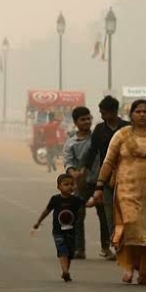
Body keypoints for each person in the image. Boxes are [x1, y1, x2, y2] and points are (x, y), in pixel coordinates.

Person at [92, 99, 146, 285]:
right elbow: (108, 162)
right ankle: (128, 267)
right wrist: (99, 187)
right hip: (126, 192)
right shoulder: (121, 136)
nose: (142, 114)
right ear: (131, 115)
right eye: (138, 111)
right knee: (128, 228)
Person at [81, 95, 131, 260]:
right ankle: (117, 246)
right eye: (101, 113)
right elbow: (93, 151)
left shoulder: (127, 128)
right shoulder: (100, 130)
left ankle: (130, 246)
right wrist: (85, 168)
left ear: (114, 112)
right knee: (110, 215)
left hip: (128, 178)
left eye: (104, 113)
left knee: (127, 214)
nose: (102, 116)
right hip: (108, 179)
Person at [63, 106, 112, 260]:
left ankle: (106, 247)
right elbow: (68, 162)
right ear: (76, 122)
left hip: (100, 182)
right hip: (82, 183)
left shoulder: (98, 138)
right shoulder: (71, 143)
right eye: (83, 119)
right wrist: (74, 174)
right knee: (78, 214)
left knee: (104, 215)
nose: (87, 122)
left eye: (89, 118)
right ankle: (79, 249)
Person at [33, 174, 97, 282]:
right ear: (59, 187)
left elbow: (87, 204)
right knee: (62, 250)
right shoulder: (55, 199)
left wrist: (95, 200)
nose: (70, 186)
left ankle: (66, 270)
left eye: (72, 184)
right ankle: (65, 271)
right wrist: (38, 222)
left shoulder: (76, 199)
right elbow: (47, 211)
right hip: (58, 231)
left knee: (70, 252)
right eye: (66, 184)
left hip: (72, 232)